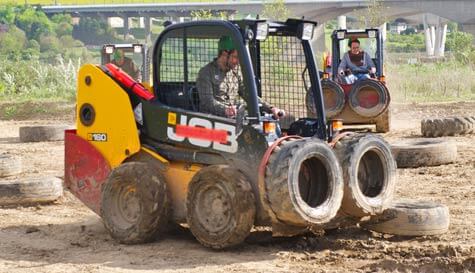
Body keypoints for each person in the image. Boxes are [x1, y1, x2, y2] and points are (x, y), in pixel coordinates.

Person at [196, 36, 284, 119]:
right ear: (224, 54)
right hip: (212, 121)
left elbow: (248, 95)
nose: (238, 62)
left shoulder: (235, 72)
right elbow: (207, 101)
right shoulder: (206, 73)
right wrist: (225, 110)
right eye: (235, 57)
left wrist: (270, 108)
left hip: (232, 119)